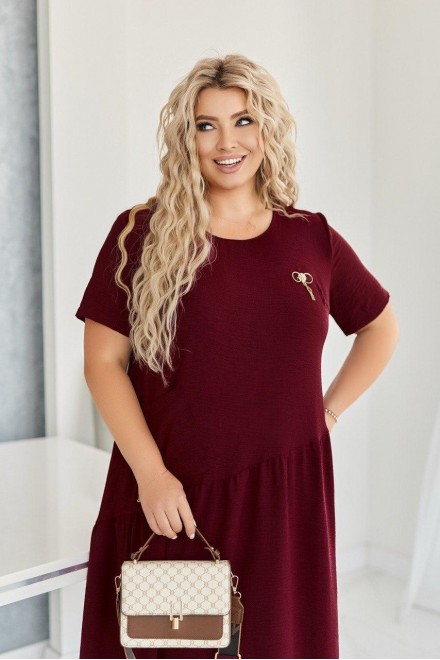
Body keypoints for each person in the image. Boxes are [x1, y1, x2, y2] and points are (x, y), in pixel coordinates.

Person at [75, 53, 400, 659]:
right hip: (177, 496)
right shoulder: (140, 233)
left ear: (267, 129)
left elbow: (380, 327)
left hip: (287, 501)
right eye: (207, 125)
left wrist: (326, 414)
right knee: (175, 647)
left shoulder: (311, 236)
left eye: (243, 121)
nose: (227, 142)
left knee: (280, 645)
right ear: (187, 138)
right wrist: (151, 474)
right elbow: (102, 363)